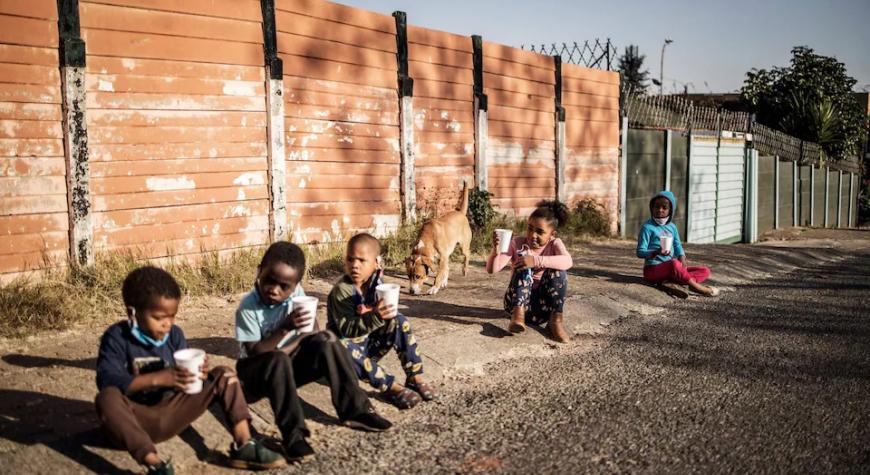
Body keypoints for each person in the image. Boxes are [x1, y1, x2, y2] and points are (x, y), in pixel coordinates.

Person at [95, 266, 284, 475]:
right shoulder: (117, 337)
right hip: (137, 420)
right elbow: (107, 379)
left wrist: (200, 374)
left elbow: (189, 380)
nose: (167, 324)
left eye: (172, 316)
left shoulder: (174, 334)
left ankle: (244, 444)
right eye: (159, 318)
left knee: (224, 374)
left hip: (174, 411)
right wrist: (159, 379)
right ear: (132, 312)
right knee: (107, 397)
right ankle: (154, 464)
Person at [234, 241, 392, 463]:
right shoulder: (248, 307)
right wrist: (288, 328)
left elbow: (314, 331)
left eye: (284, 286)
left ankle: (355, 410)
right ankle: (294, 436)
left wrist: (305, 331)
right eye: (269, 280)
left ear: (296, 284)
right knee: (278, 358)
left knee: (327, 339)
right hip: (255, 375)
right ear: (259, 270)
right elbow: (256, 353)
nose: (275, 289)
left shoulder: (296, 293)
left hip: (286, 365)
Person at [327, 233, 438, 410]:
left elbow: (376, 313)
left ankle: (414, 377)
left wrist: (376, 311)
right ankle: (390, 387)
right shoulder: (342, 291)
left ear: (376, 263)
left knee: (399, 320)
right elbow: (347, 330)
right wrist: (376, 316)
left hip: (367, 349)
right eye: (350, 259)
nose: (355, 265)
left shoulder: (376, 283)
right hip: (344, 358)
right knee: (338, 345)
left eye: (362, 260)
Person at [486, 200, 574, 342]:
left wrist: (536, 261)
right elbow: (492, 269)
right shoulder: (517, 242)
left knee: (559, 272)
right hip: (514, 306)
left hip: (542, 311)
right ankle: (518, 315)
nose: (532, 235)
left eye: (540, 232)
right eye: (530, 228)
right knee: (522, 264)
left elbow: (568, 262)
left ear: (552, 234)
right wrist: (495, 252)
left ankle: (555, 321)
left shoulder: (555, 243)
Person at [636, 190, 719, 297]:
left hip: (671, 270)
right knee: (673, 263)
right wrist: (656, 252)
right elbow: (640, 252)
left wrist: (682, 256)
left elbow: (677, 245)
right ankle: (699, 288)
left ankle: (672, 283)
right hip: (653, 270)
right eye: (656, 207)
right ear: (652, 208)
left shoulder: (672, 227)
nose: (660, 210)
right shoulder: (647, 227)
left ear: (670, 210)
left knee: (704, 270)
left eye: (664, 208)